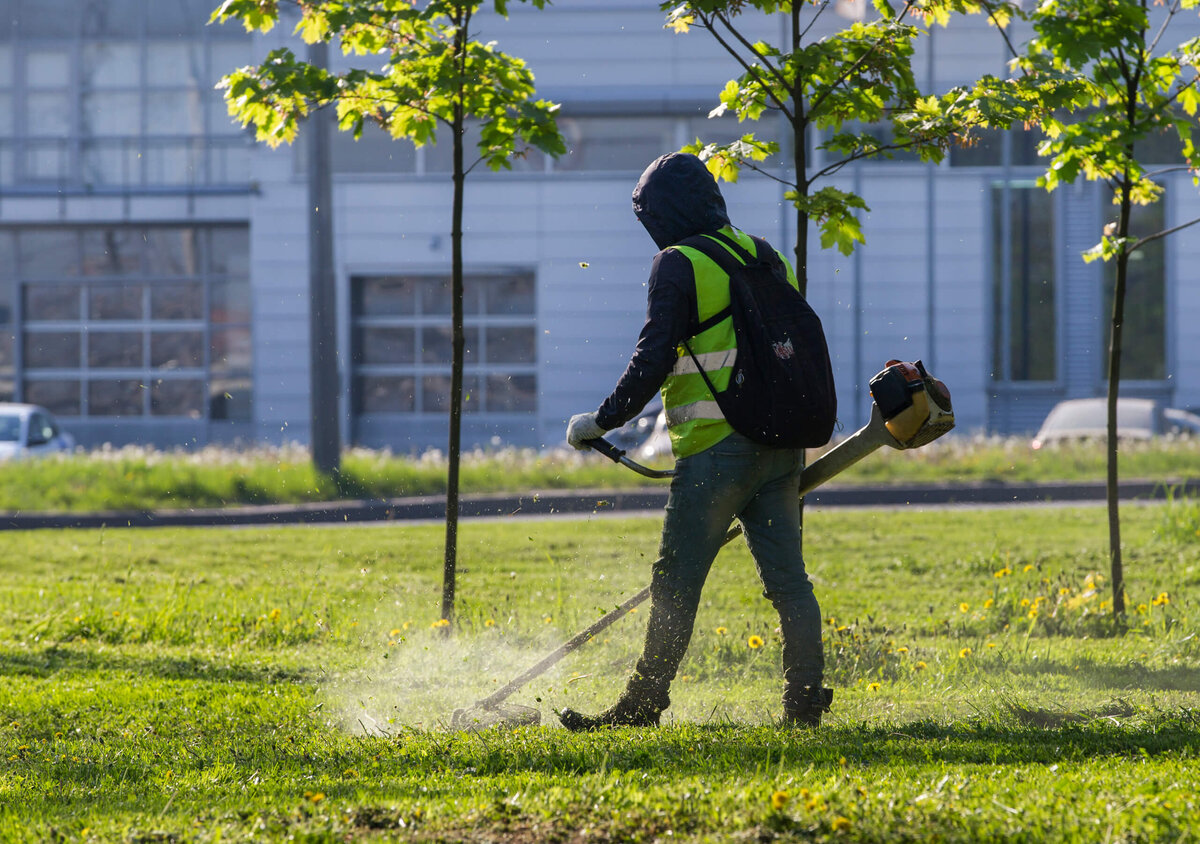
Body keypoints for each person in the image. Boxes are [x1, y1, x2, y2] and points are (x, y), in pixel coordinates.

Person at [561, 152, 832, 730]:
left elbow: (652, 357)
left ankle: (641, 705)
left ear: (663, 213)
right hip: (781, 446)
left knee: (675, 584)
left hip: (717, 451)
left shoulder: (677, 263)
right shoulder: (765, 253)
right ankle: (804, 702)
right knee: (789, 583)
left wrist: (602, 422)